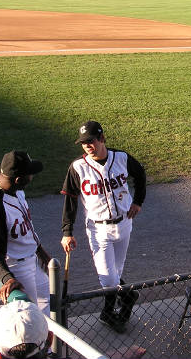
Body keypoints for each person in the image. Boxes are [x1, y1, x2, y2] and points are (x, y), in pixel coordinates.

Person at [60, 121, 147, 333]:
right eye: (83, 143)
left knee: (116, 272)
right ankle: (127, 297)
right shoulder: (77, 168)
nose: (87, 146)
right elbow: (70, 200)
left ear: (102, 138)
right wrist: (67, 232)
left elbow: (141, 175)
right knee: (108, 277)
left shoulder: (122, 158)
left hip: (124, 223)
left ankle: (111, 312)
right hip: (98, 230)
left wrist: (138, 202)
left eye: (91, 141)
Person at [0, 151, 51, 314]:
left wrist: (41, 252)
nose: (32, 176)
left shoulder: (15, 190)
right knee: (30, 314)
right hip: (14, 266)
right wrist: (7, 278)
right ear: (18, 179)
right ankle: (39, 339)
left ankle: (48, 338)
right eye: (30, 174)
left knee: (46, 295)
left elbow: (26, 227)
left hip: (30, 260)